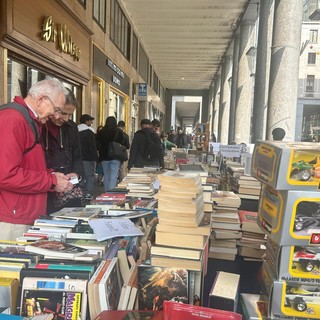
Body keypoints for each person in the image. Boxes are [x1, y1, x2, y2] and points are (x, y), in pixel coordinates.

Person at [0, 78, 72, 240]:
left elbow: (27, 165)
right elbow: (6, 174)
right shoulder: (13, 119)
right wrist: (50, 181)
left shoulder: (28, 119)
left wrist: (52, 176)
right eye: (56, 109)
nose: (57, 115)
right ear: (41, 100)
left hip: (23, 213)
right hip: (13, 217)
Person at [43, 88, 86, 214]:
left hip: (67, 192)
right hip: (45, 189)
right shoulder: (39, 126)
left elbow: (78, 156)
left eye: (70, 115)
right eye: (64, 113)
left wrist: (76, 174)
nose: (66, 119)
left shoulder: (71, 128)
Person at [96, 116, 126, 191]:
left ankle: (106, 191)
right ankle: (111, 192)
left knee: (106, 175)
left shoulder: (101, 132)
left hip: (104, 156)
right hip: (115, 156)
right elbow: (123, 142)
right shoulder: (118, 132)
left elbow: (97, 143)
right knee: (114, 176)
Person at [78, 114, 99, 200]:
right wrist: (96, 158)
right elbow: (92, 146)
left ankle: (79, 192)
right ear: (86, 121)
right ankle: (88, 193)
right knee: (89, 175)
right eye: (90, 120)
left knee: (79, 175)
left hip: (77, 157)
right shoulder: (90, 131)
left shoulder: (76, 130)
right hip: (88, 157)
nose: (91, 122)